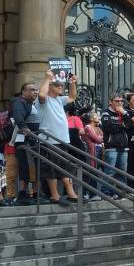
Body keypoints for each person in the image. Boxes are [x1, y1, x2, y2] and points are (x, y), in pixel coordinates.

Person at [37, 71, 79, 206]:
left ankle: (71, 193)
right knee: (51, 169)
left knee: (65, 167)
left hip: (63, 140)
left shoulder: (59, 100)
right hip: (49, 140)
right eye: (57, 85)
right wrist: (47, 78)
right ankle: (55, 195)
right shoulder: (44, 100)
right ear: (50, 86)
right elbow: (41, 94)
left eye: (62, 85)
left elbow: (72, 97)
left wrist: (72, 82)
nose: (61, 87)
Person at [10, 82, 43, 205]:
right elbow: (19, 118)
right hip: (25, 140)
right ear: (23, 92)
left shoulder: (32, 104)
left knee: (35, 166)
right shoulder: (20, 102)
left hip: (33, 140)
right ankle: (23, 194)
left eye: (36, 90)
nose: (35, 92)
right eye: (32, 90)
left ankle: (35, 193)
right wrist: (25, 129)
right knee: (26, 167)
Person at [101, 94, 134, 199]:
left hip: (123, 147)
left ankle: (120, 193)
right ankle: (106, 193)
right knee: (110, 171)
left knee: (122, 172)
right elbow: (110, 128)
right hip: (111, 147)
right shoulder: (106, 113)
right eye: (117, 101)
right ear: (110, 102)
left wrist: (124, 113)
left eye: (121, 101)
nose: (120, 103)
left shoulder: (123, 113)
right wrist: (124, 125)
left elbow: (131, 126)